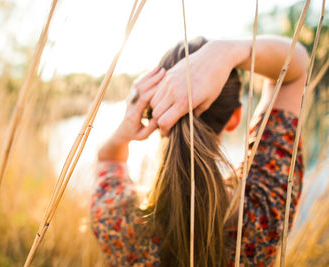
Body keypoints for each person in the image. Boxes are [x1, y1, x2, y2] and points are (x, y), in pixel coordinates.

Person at [90, 35, 307, 267]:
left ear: (152, 113)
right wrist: (228, 49)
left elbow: (108, 158)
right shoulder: (265, 209)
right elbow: (295, 67)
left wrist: (124, 131)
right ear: (235, 119)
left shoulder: (115, 217)